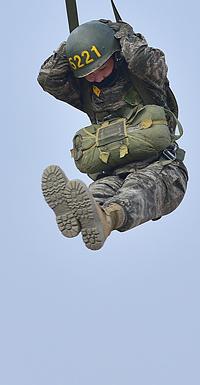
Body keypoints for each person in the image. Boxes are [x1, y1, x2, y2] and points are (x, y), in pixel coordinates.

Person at [37, 19, 187, 250]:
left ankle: (107, 220)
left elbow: (143, 58)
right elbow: (49, 78)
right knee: (94, 196)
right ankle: (79, 214)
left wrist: (122, 34)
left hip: (161, 170)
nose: (96, 78)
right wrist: (74, 44)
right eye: (88, 73)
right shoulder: (86, 91)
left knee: (136, 190)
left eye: (102, 69)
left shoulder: (145, 78)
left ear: (115, 56)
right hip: (113, 173)